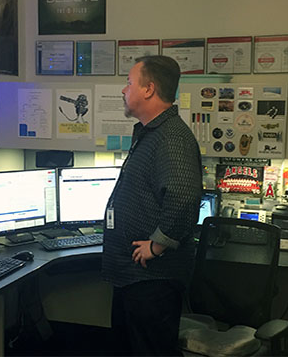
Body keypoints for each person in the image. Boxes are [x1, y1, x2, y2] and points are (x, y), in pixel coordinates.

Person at [102, 55, 202, 356]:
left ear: (149, 89)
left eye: (129, 82)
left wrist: (156, 246)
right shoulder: (153, 132)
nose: (124, 90)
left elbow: (183, 198)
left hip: (152, 278)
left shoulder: (171, 137)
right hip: (135, 278)